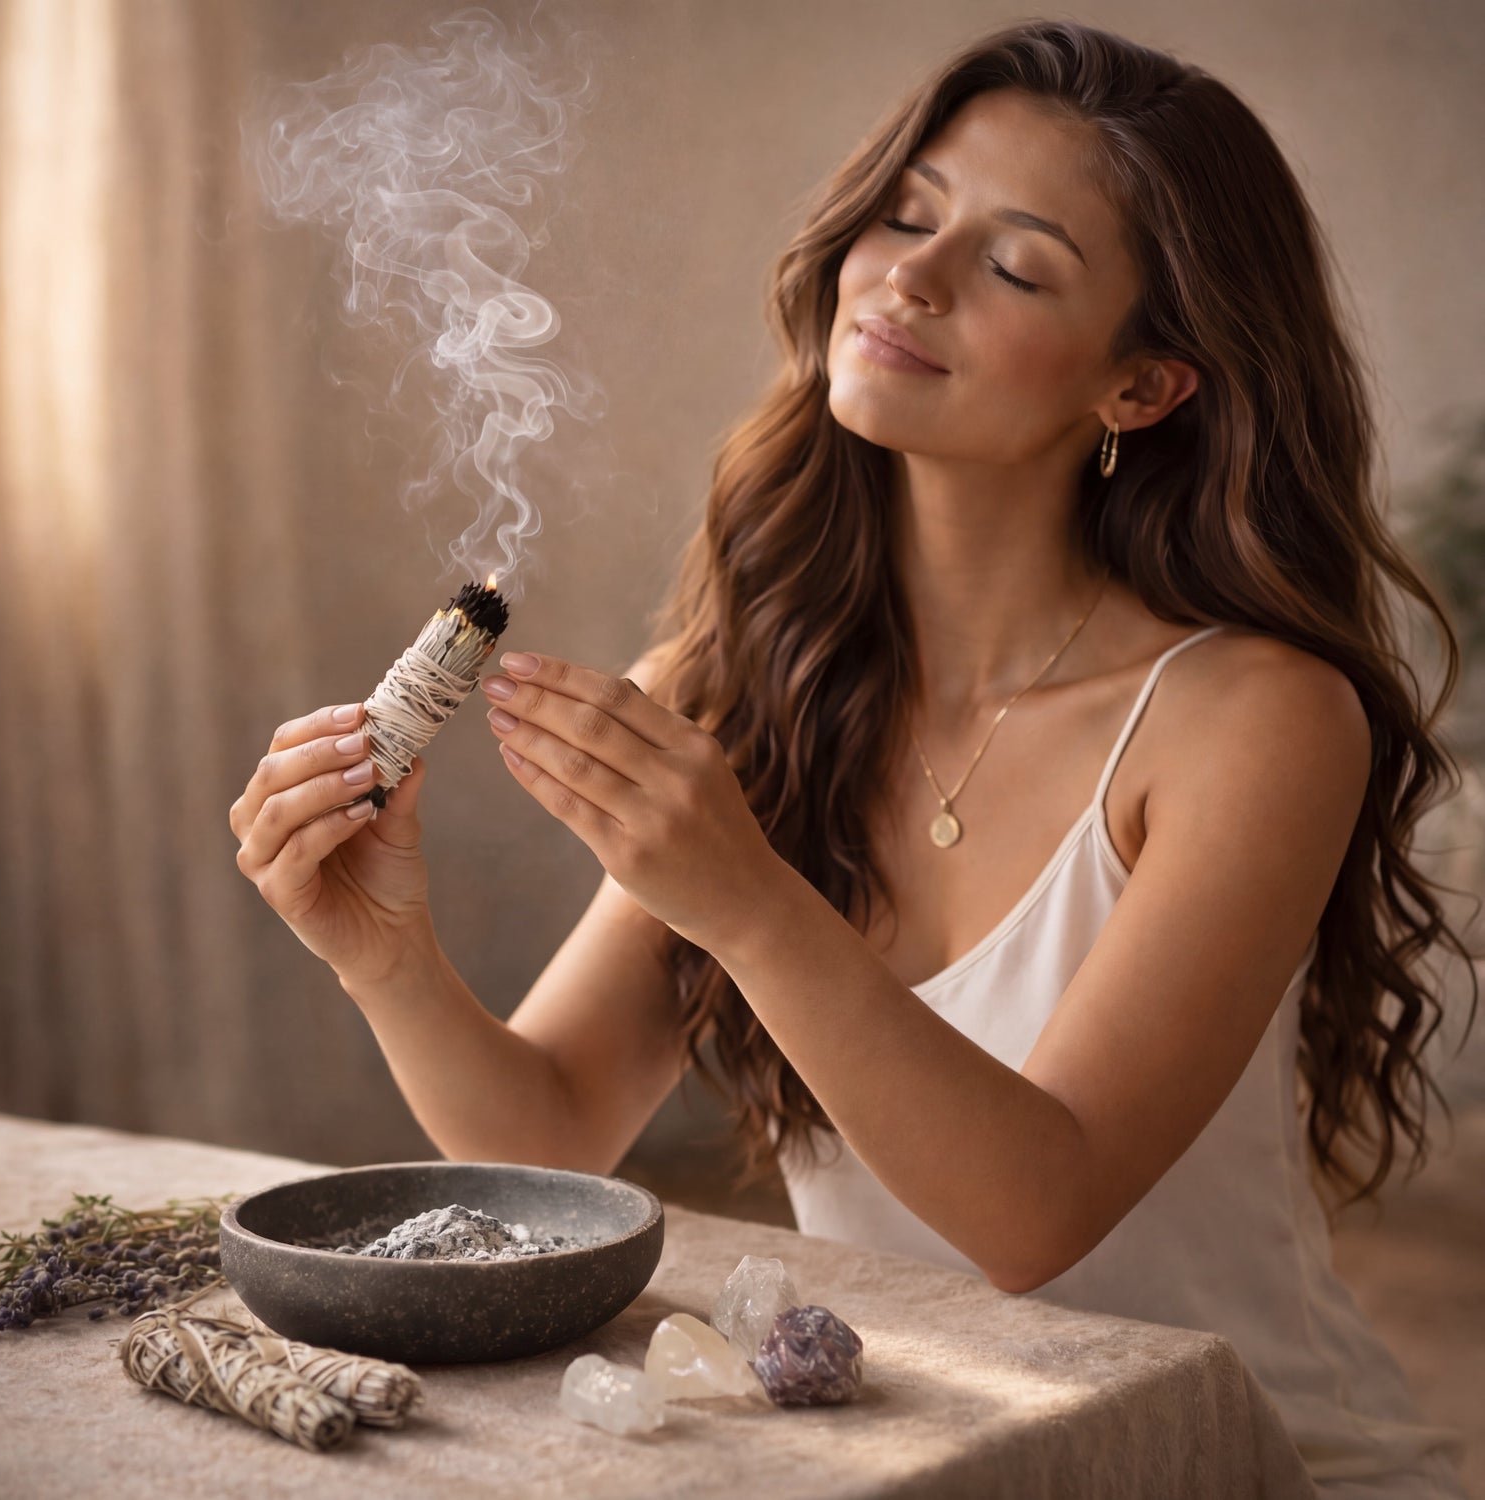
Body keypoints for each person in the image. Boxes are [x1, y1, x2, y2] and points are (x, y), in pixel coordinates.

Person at [230, 20, 1474, 1496]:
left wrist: (746, 900)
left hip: (1227, 1453)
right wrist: (385, 954)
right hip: (916, 1456)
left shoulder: (1252, 718)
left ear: (1142, 389)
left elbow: (1033, 1213)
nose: (912, 276)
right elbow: (552, 1126)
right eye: (908, 211)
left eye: (1015, 266)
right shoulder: (734, 684)